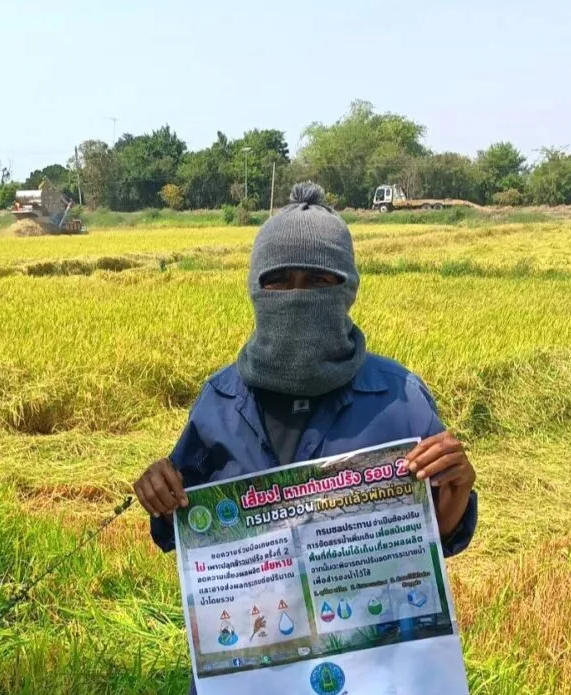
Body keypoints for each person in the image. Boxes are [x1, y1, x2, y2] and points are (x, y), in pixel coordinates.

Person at [133, 182, 478, 691]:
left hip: (370, 671)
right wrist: (160, 492)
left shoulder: (399, 398)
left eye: (318, 278)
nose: (297, 293)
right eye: (279, 280)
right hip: (254, 671)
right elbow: (183, 530)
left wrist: (458, 488)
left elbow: (440, 539)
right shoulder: (221, 399)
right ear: (255, 286)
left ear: (346, 287)